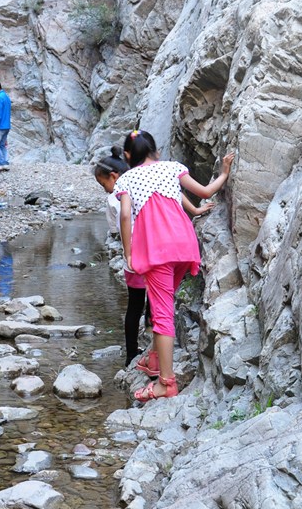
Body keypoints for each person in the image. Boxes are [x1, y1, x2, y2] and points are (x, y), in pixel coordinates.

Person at [115, 131, 234, 401]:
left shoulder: (127, 179)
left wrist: (128, 252)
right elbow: (203, 192)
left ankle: (165, 383)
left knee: (162, 314)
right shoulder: (172, 168)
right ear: (154, 150)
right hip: (184, 244)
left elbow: (124, 214)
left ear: (128, 155)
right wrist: (224, 174)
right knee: (165, 301)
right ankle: (156, 358)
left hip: (157, 251)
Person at [95, 148, 214, 369]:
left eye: (104, 185)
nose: (106, 190)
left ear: (113, 177)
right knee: (156, 306)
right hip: (158, 251)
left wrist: (128, 253)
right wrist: (195, 211)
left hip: (136, 258)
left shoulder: (118, 194)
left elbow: (118, 229)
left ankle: (133, 353)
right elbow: (175, 192)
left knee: (135, 306)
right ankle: (154, 350)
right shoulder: (150, 179)